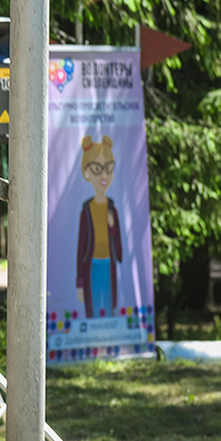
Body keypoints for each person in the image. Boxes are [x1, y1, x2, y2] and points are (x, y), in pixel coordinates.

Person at [75, 134, 122, 318]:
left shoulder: (113, 210)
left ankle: (108, 343)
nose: (103, 175)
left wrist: (112, 228)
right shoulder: (86, 211)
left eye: (108, 168)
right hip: (92, 265)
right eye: (97, 169)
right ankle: (93, 345)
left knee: (109, 307)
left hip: (108, 264)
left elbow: (119, 251)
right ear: (87, 173)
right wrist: (80, 282)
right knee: (93, 308)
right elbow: (81, 248)